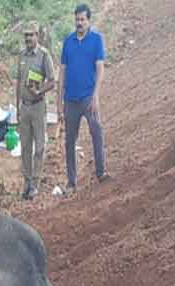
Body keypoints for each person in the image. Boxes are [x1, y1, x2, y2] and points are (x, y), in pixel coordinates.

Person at [57, 4, 109, 194]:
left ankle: (101, 172)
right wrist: (58, 100)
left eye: (83, 20)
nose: (79, 23)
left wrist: (95, 95)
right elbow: (62, 72)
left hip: (88, 97)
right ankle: (71, 182)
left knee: (97, 132)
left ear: (89, 21)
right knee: (70, 141)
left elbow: (100, 68)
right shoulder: (68, 42)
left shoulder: (96, 40)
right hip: (70, 100)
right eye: (77, 19)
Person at [17, 21, 55, 200]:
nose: (28, 38)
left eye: (31, 35)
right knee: (25, 146)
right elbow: (18, 83)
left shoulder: (44, 55)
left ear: (37, 36)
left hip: (38, 106)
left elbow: (52, 81)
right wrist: (17, 106)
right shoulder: (22, 55)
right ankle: (26, 181)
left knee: (39, 146)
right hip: (24, 107)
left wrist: (39, 91)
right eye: (26, 35)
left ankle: (35, 183)